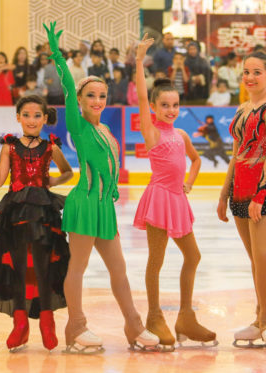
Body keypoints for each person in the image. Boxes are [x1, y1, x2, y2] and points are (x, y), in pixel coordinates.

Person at [44, 22, 159, 353]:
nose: (97, 100)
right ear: (79, 99)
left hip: (104, 208)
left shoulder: (107, 129)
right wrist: (57, 53)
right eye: (90, 95)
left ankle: (134, 326)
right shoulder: (79, 127)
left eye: (102, 96)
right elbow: (66, 85)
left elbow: (110, 174)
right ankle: (76, 327)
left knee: (119, 271)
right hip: (83, 204)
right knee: (77, 268)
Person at [133, 34, 217, 351]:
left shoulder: (181, 134)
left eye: (175, 105)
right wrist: (140, 60)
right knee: (156, 260)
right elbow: (141, 98)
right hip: (158, 199)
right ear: (154, 107)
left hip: (178, 200)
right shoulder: (152, 131)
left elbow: (195, 161)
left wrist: (190, 183)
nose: (170, 110)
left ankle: (185, 316)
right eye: (164, 105)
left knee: (192, 256)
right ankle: (154, 316)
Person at [0, 95, 73, 351]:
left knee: (43, 267)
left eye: (37, 116)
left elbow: (67, 172)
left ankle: (47, 320)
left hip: (44, 211)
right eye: (26, 115)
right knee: (19, 268)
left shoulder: (50, 146)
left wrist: (51, 182)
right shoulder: (9, 147)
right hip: (16, 212)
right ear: (18, 117)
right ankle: (20, 322)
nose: (31, 120)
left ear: (45, 118)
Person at [218, 51, 266, 347]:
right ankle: (260, 315)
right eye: (246, 71)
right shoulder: (243, 108)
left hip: (260, 193)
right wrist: (224, 194)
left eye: (257, 72)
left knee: (262, 259)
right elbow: (236, 155)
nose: (249, 77)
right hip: (239, 192)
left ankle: (262, 321)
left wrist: (262, 194)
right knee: (255, 261)